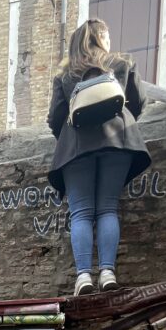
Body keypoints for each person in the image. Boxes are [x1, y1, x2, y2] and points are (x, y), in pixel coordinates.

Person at [47, 18, 151, 296]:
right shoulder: (123, 63)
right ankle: (107, 272)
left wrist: (71, 134)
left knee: (81, 211)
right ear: (103, 38)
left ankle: (83, 276)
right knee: (107, 208)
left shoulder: (67, 74)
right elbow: (139, 103)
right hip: (118, 141)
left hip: (77, 145)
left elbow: (55, 117)